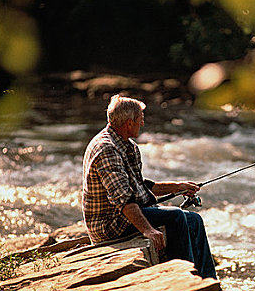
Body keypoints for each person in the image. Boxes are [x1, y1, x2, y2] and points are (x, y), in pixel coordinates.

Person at [82, 94, 217, 279]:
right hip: (109, 225)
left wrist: (177, 187)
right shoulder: (107, 149)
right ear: (129, 123)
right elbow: (124, 200)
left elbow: (140, 186)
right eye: (140, 120)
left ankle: (208, 281)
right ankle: (184, 279)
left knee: (194, 220)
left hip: (124, 215)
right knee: (176, 217)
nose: (143, 124)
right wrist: (147, 230)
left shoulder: (128, 145)